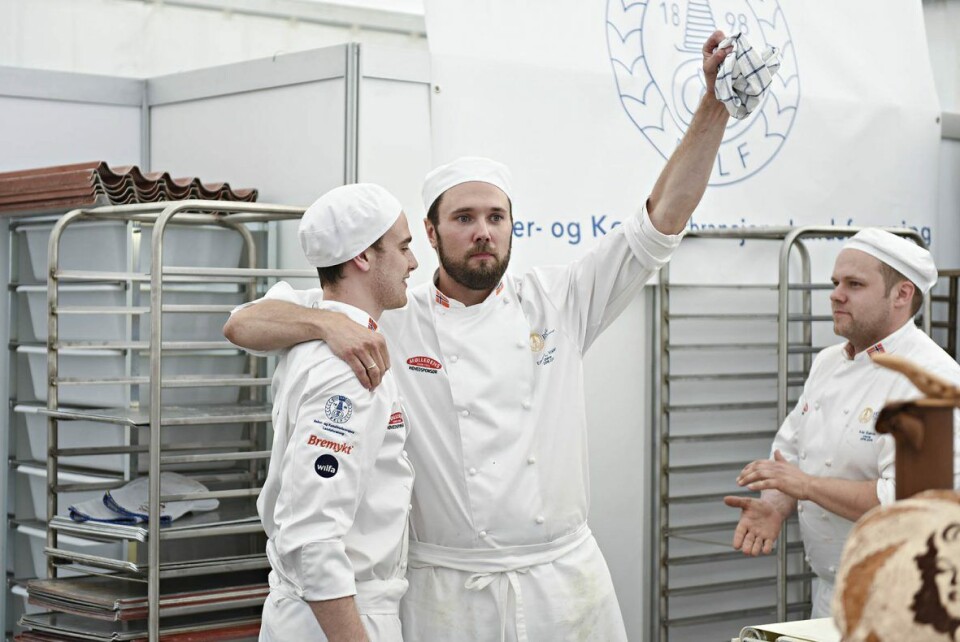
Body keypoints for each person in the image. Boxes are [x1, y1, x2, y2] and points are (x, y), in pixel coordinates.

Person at [227, 30, 734, 641]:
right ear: (432, 234)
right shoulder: (392, 308)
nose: (483, 232)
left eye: (496, 217)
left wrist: (713, 105)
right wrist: (324, 321)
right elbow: (243, 323)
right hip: (445, 592)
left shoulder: (560, 301)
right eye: (463, 219)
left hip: (564, 583)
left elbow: (661, 219)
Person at [725, 228, 960, 618]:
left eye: (854, 284)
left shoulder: (932, 381)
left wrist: (808, 487)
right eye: (836, 282)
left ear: (902, 295)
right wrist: (775, 505)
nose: (836, 294)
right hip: (831, 592)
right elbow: (792, 454)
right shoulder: (829, 362)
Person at [257, 183, 419, 642]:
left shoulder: (318, 332)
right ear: (363, 257)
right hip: (336, 618)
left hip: (317, 612)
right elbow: (312, 536)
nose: (414, 263)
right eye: (404, 247)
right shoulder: (349, 368)